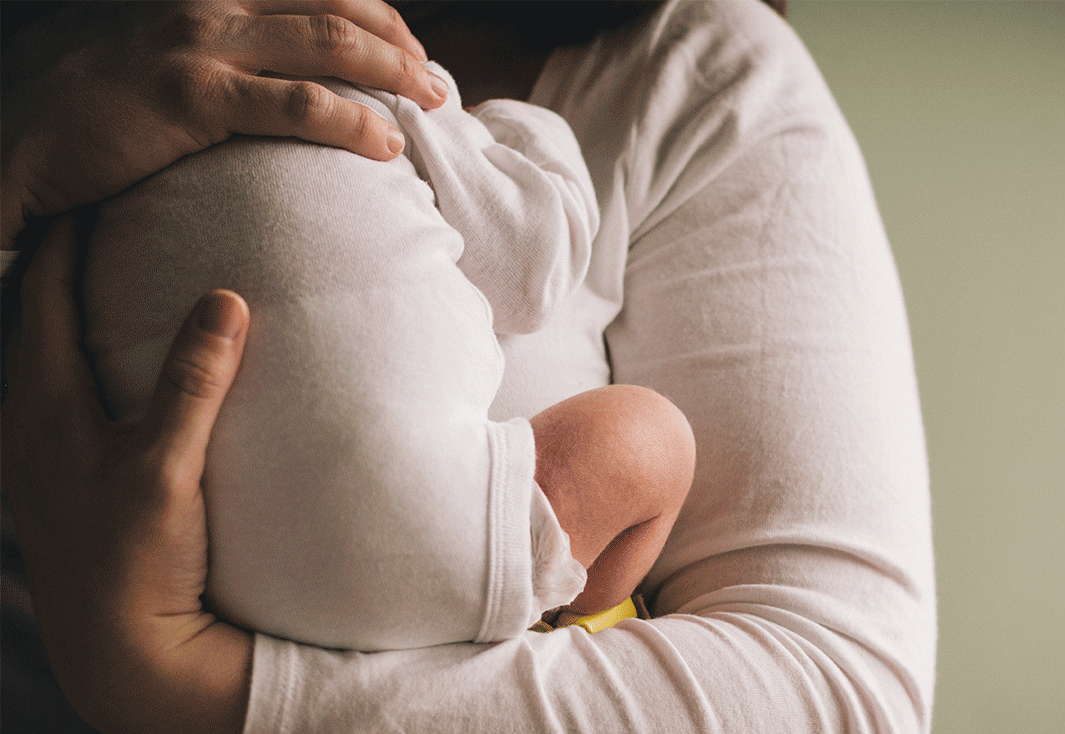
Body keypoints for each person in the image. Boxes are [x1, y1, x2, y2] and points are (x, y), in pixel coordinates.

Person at [2, 1, 936, 732]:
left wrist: (184, 687)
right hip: (463, 540)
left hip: (442, 539)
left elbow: (836, 694)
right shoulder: (401, 100)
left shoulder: (690, 73)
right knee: (644, 443)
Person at [79, 56, 694, 652]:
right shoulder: (373, 76)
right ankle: (580, 615)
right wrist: (519, 127)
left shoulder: (113, 115)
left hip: (199, 561)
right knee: (655, 440)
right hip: (421, 543)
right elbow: (533, 272)